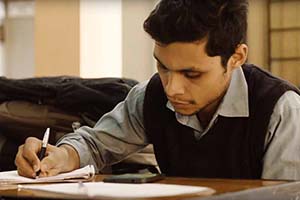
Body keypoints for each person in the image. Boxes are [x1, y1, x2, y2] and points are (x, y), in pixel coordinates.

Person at [15, 0, 300, 180]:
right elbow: (95, 144)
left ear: (236, 57)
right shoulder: (150, 96)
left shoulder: (281, 111)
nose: (172, 88)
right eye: (162, 67)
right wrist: (60, 157)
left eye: (192, 73)